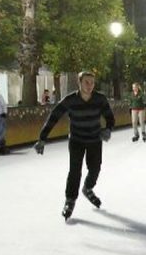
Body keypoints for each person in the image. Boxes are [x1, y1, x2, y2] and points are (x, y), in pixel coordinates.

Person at [33, 71, 115, 221]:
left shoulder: (100, 99)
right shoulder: (70, 100)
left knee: (95, 168)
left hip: (94, 140)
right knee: (74, 171)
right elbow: (54, 116)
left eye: (92, 82)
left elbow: (110, 117)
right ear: (80, 83)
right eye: (86, 82)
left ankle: (88, 188)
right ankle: (69, 201)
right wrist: (42, 138)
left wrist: (108, 129)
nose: (90, 86)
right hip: (76, 140)